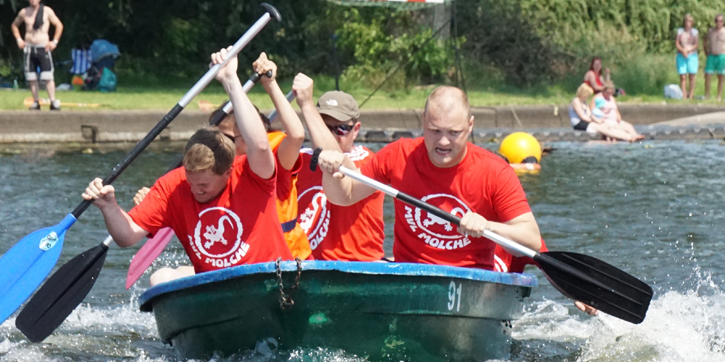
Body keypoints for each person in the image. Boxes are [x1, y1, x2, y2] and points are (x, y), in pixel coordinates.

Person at [316, 86, 597, 316]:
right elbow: (344, 196)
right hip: (414, 278)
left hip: (471, 282)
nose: (443, 142)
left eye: (454, 133)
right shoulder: (398, 155)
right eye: (435, 131)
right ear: (423, 123)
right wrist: (333, 168)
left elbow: (532, 239)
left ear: (470, 125)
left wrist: (487, 225)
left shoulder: (494, 171)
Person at [82, 48, 291, 286]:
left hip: (272, 281)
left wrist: (231, 80)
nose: (195, 191)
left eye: (203, 185)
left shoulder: (251, 174)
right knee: (159, 279)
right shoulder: (174, 184)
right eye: (191, 183)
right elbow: (127, 235)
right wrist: (109, 207)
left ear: (228, 171)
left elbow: (260, 145)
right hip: (218, 290)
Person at [214, 53, 311, 259]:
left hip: (286, 259)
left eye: (228, 139)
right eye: (217, 139)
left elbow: (296, 135)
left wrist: (270, 84)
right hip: (241, 258)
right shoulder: (211, 166)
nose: (220, 147)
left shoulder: (272, 160)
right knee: (164, 276)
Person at [293, 76, 385, 261]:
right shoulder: (299, 159)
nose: (333, 135)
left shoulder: (369, 161)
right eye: (325, 128)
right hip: (307, 267)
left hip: (357, 265)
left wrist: (306, 104)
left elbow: (336, 160)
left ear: (356, 129)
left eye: (341, 129)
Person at [11, 0, 63, 110]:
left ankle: (53, 101)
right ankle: (35, 101)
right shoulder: (24, 12)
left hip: (43, 47)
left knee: (48, 76)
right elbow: (14, 25)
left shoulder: (46, 11)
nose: (33, 0)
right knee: (31, 77)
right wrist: (19, 39)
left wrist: (54, 41)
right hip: (29, 47)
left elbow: (59, 25)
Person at [569, 83, 639, 142]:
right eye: (587, 95)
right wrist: (595, 121)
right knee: (603, 129)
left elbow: (590, 114)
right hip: (579, 124)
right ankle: (627, 137)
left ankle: (630, 136)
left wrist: (598, 120)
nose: (588, 97)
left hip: (587, 122)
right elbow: (583, 117)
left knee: (606, 125)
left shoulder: (584, 102)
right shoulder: (576, 101)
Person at [703, 14, 725, 101]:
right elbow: (704, 41)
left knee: (721, 76)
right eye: (716, 20)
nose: (718, 23)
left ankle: (719, 96)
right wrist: (706, 51)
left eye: (720, 21)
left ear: (723, 22)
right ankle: (707, 94)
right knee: (708, 75)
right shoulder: (710, 31)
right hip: (712, 55)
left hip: (722, 55)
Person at [675, 14, 699, 100]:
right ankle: (684, 96)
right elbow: (677, 43)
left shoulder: (695, 32)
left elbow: (696, 44)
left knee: (692, 75)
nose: (688, 23)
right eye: (686, 21)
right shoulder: (680, 31)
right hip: (681, 55)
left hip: (692, 55)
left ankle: (691, 96)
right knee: (683, 76)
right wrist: (683, 50)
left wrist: (688, 50)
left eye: (689, 22)